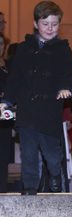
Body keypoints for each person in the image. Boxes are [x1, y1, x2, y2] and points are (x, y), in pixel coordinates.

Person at [0, 1, 72, 195]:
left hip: (49, 112)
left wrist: (67, 88)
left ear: (59, 25)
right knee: (28, 153)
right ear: (36, 24)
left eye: (54, 24)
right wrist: (6, 101)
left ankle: (54, 175)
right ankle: (29, 186)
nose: (50, 28)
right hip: (27, 111)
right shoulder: (24, 48)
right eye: (45, 24)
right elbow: (15, 78)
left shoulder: (63, 49)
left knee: (52, 154)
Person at [0, 32, 14, 192]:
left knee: (3, 158)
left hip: (6, 118)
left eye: (2, 44)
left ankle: (2, 194)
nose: (0, 47)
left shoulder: (9, 65)